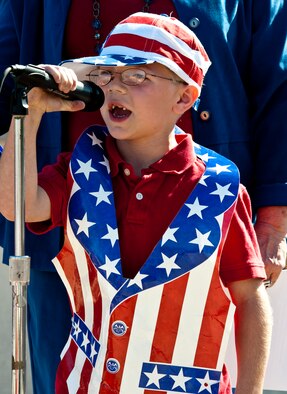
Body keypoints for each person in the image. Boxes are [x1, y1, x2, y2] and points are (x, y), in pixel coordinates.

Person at [0, 1, 285, 393]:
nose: (116, 86)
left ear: (184, 99)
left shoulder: (219, 188)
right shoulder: (79, 168)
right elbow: (17, 205)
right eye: (108, 74)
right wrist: (28, 117)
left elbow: (251, 302)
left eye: (137, 76)